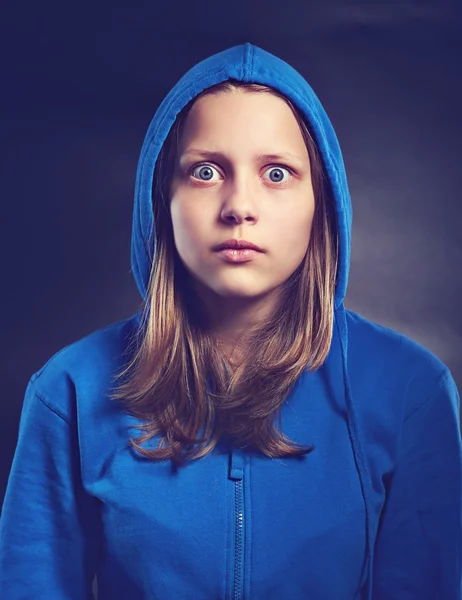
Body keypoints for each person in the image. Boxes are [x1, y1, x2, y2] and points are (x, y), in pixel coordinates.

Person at [0, 42, 460, 600]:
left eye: (276, 172)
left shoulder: (411, 390)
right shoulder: (68, 391)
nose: (240, 205)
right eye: (206, 170)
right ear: (160, 199)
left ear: (323, 205)